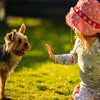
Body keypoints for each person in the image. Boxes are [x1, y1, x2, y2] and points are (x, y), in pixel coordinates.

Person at [46, 0, 100, 99]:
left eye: (77, 24)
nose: (74, 27)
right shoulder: (79, 42)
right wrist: (55, 58)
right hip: (87, 88)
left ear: (85, 26)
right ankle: (77, 92)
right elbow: (72, 58)